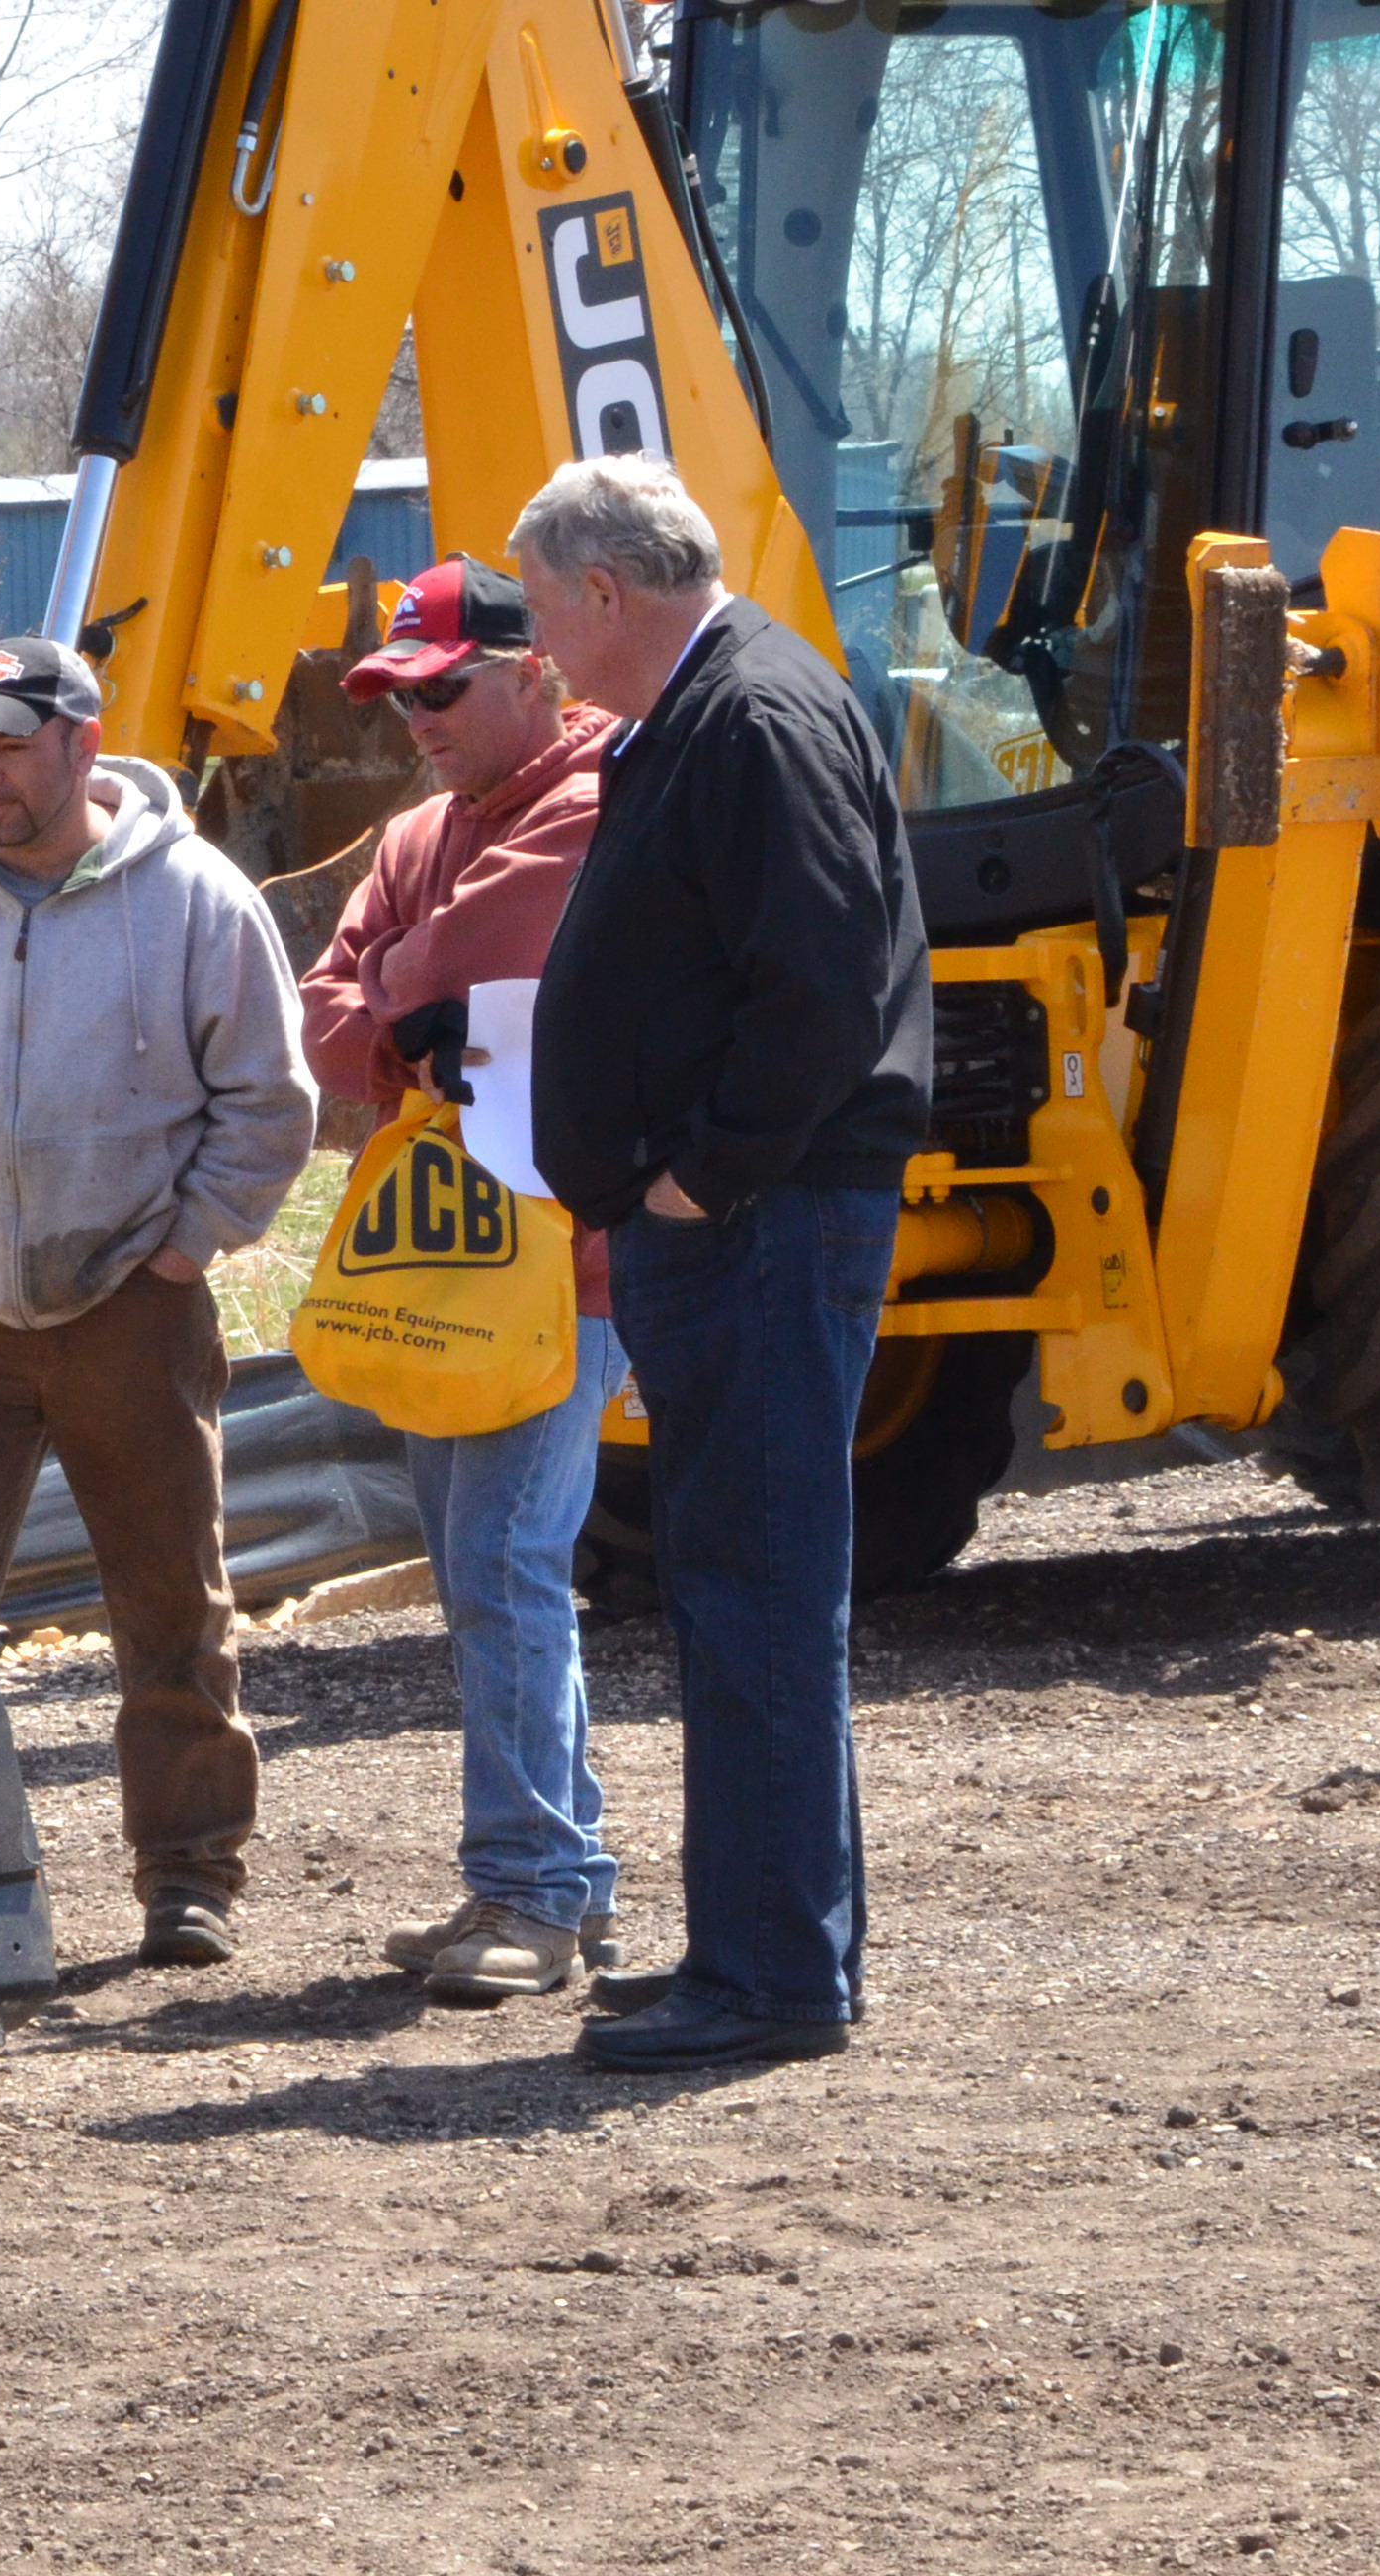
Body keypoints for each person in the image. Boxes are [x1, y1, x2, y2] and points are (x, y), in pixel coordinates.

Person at [0, 636, 316, 1965]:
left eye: (10, 746)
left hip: (132, 1310)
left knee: (170, 1603)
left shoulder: (199, 900)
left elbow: (270, 1102)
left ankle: (191, 1875)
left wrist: (186, 1248)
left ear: (83, 746)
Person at [511, 456, 931, 2074]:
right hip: (738, 1227)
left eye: (544, 613)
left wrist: (694, 1176)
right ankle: (775, 1946)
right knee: (744, 1586)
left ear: (604, 590)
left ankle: (768, 1975)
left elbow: (817, 992)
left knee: (752, 1591)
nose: (541, 649)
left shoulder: (746, 717)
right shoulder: (713, 709)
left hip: (755, 1228)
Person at [297, 559, 625, 2004]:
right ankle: (559, 1875)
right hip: (445, 1260)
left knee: (501, 1565)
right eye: (394, 694)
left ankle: (534, 1892)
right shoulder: (423, 827)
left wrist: (411, 995)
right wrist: (408, 1016)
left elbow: (478, 951)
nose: (414, 717)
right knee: (487, 1569)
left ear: (532, 670)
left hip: (577, 1264)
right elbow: (327, 1018)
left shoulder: (597, 790)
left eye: (440, 689)